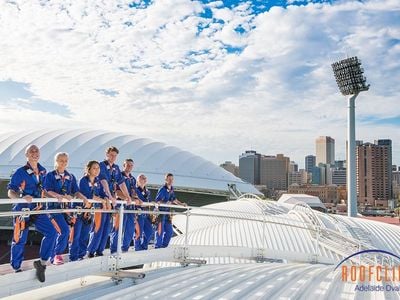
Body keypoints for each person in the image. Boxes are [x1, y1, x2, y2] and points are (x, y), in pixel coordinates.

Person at [7, 144, 57, 282]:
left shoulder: (43, 171)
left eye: (37, 150)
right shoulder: (20, 172)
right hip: (23, 210)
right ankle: (16, 267)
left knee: (52, 232)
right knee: (20, 239)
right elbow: (10, 191)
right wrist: (20, 198)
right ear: (27, 155)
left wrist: (54, 196)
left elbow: (43, 190)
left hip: (38, 209)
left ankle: (42, 263)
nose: (35, 153)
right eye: (31, 151)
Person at [43, 152, 87, 265]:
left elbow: (75, 191)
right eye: (61, 160)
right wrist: (59, 196)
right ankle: (57, 255)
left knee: (63, 232)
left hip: (65, 210)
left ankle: (54, 256)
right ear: (56, 161)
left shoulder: (70, 176)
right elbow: (47, 190)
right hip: (54, 209)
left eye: (65, 160)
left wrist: (83, 198)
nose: (63, 163)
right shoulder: (50, 175)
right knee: (64, 231)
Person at [97, 146, 131, 256]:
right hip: (102, 199)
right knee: (98, 227)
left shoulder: (116, 168)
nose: (113, 157)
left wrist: (127, 196)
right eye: (111, 155)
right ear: (107, 154)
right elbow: (103, 182)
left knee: (107, 227)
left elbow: (121, 183)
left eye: (115, 156)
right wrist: (110, 196)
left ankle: (100, 250)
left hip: (111, 201)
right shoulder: (101, 166)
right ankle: (93, 251)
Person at [80, 161, 110, 259]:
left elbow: (102, 192)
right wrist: (102, 200)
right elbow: (87, 194)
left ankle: (98, 250)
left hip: (100, 208)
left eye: (98, 168)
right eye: (94, 168)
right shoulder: (83, 180)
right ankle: (90, 251)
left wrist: (106, 199)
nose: (97, 170)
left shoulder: (98, 181)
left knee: (103, 230)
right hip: (89, 210)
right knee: (94, 230)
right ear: (89, 169)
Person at [111, 158, 141, 253]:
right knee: (117, 229)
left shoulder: (132, 179)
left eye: (131, 165)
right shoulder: (119, 176)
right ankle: (114, 250)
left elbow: (133, 192)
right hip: (121, 206)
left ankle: (125, 249)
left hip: (130, 207)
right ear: (124, 165)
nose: (129, 167)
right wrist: (129, 199)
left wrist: (137, 199)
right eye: (128, 165)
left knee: (130, 229)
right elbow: (117, 193)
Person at [155, 173, 186, 248]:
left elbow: (174, 199)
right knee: (160, 231)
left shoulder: (171, 189)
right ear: (165, 180)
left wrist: (181, 204)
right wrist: (166, 203)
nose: (171, 181)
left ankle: (164, 246)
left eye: (172, 179)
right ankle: (158, 246)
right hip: (161, 213)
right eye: (169, 179)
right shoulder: (162, 189)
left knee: (169, 232)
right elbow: (157, 201)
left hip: (167, 213)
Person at [134, 174, 153, 251]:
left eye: (145, 178)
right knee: (138, 232)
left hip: (146, 214)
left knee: (150, 231)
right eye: (142, 178)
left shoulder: (148, 192)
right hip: (138, 214)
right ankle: (137, 247)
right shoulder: (135, 190)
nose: (144, 179)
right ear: (137, 181)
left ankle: (144, 246)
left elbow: (149, 202)